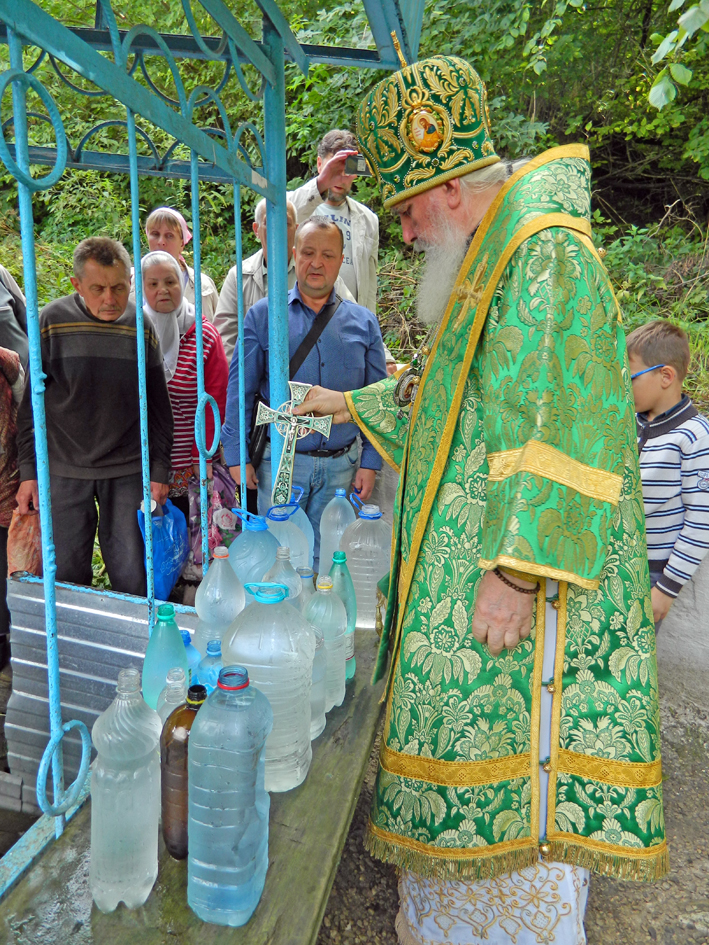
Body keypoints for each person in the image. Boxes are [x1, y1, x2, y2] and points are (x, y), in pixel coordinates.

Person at [295, 55, 667, 945]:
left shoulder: (543, 250)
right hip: (473, 581)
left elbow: (562, 417)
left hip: (513, 599)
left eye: (409, 209)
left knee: (508, 801)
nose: (405, 230)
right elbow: (453, 403)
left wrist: (514, 572)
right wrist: (347, 402)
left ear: (452, 187)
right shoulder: (494, 253)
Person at [221, 216, 387, 571]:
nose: (317, 263)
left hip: (342, 468)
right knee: (277, 559)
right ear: (294, 254)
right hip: (280, 464)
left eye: (328, 255)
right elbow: (240, 391)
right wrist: (237, 456)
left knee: (328, 560)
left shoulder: (364, 322)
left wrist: (370, 462)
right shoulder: (263, 316)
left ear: (341, 260)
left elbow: (375, 399)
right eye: (308, 252)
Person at [16, 237, 173, 597]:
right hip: (64, 469)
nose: (110, 299)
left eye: (118, 288)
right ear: (77, 285)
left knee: (134, 576)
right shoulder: (51, 322)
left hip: (127, 469)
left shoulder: (140, 326)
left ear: (130, 282)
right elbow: (30, 408)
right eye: (98, 289)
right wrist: (29, 472)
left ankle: (134, 632)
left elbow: (159, 407)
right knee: (67, 577)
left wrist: (159, 470)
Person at [627, 320, 709, 628]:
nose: (623, 388)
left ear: (665, 376)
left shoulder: (695, 436)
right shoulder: (627, 423)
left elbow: (701, 520)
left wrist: (666, 589)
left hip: (651, 576)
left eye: (630, 378)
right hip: (614, 564)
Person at [141, 251, 228, 522]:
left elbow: (216, 401)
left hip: (192, 467)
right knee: (150, 539)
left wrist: (202, 455)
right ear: (142, 288)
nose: (163, 290)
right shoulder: (134, 333)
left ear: (182, 283)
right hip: (143, 464)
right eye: (153, 284)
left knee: (195, 540)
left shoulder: (205, 335)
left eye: (170, 281)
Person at [214, 197, 355, 364]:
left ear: (296, 229)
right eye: (269, 222)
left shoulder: (319, 274)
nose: (277, 228)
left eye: (286, 223)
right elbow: (225, 340)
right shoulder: (239, 276)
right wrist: (246, 375)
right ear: (256, 229)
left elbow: (353, 321)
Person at [132, 207, 219, 321]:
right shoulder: (131, 281)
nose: (161, 242)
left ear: (182, 243)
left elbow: (215, 328)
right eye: (155, 234)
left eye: (169, 235)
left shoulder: (203, 285)